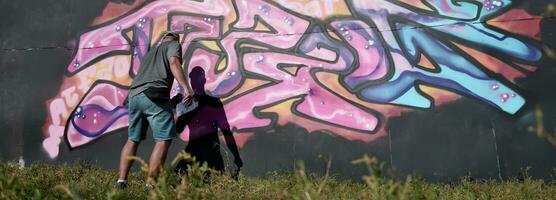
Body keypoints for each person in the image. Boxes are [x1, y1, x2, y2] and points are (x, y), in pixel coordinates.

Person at [116, 31, 191, 189]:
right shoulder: (173, 45)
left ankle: (121, 182)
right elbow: (174, 63)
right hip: (154, 94)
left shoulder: (151, 53)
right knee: (164, 139)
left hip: (135, 95)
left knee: (133, 139)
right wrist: (185, 88)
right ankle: (151, 184)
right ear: (176, 40)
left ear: (163, 38)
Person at [174, 67, 243, 180]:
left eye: (197, 78)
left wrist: (236, 155)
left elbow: (226, 131)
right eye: (193, 79)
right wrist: (183, 111)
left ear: (204, 80)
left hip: (209, 153)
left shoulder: (213, 102)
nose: (195, 81)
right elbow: (178, 129)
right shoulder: (189, 103)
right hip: (197, 152)